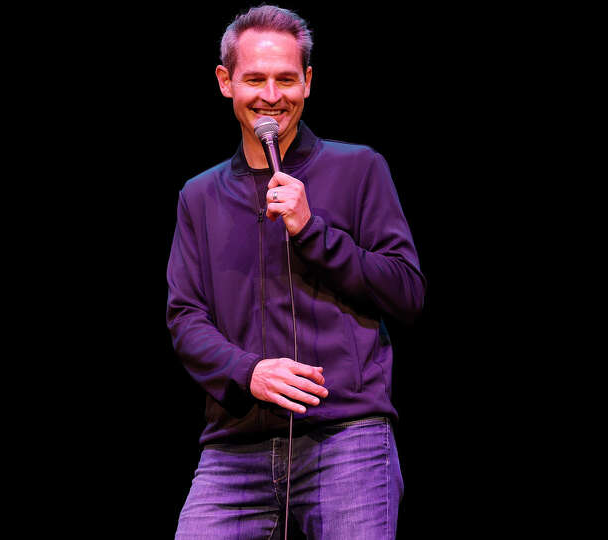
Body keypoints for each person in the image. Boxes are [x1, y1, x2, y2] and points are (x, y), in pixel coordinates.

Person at [167, 5, 425, 539]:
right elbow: (185, 318)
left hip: (346, 439)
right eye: (255, 79)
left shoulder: (359, 169)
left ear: (307, 83)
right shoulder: (199, 196)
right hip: (233, 449)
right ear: (225, 82)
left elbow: (407, 291)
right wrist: (248, 372)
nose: (271, 95)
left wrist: (314, 232)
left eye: (286, 79)